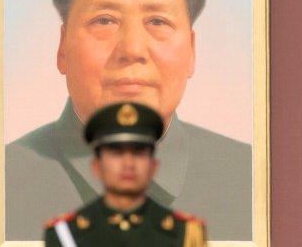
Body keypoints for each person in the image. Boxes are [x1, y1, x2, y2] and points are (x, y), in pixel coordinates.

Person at [6, 0, 251, 241]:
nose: (133, 49)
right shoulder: (0, 180)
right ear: (62, 48)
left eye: (158, 21)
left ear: (191, 51)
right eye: (105, 20)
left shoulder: (252, 178)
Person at [44, 103, 207, 247]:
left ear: (153, 166)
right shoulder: (66, 235)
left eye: (138, 152)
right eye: (117, 152)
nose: (128, 163)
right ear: (96, 166)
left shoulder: (184, 234)